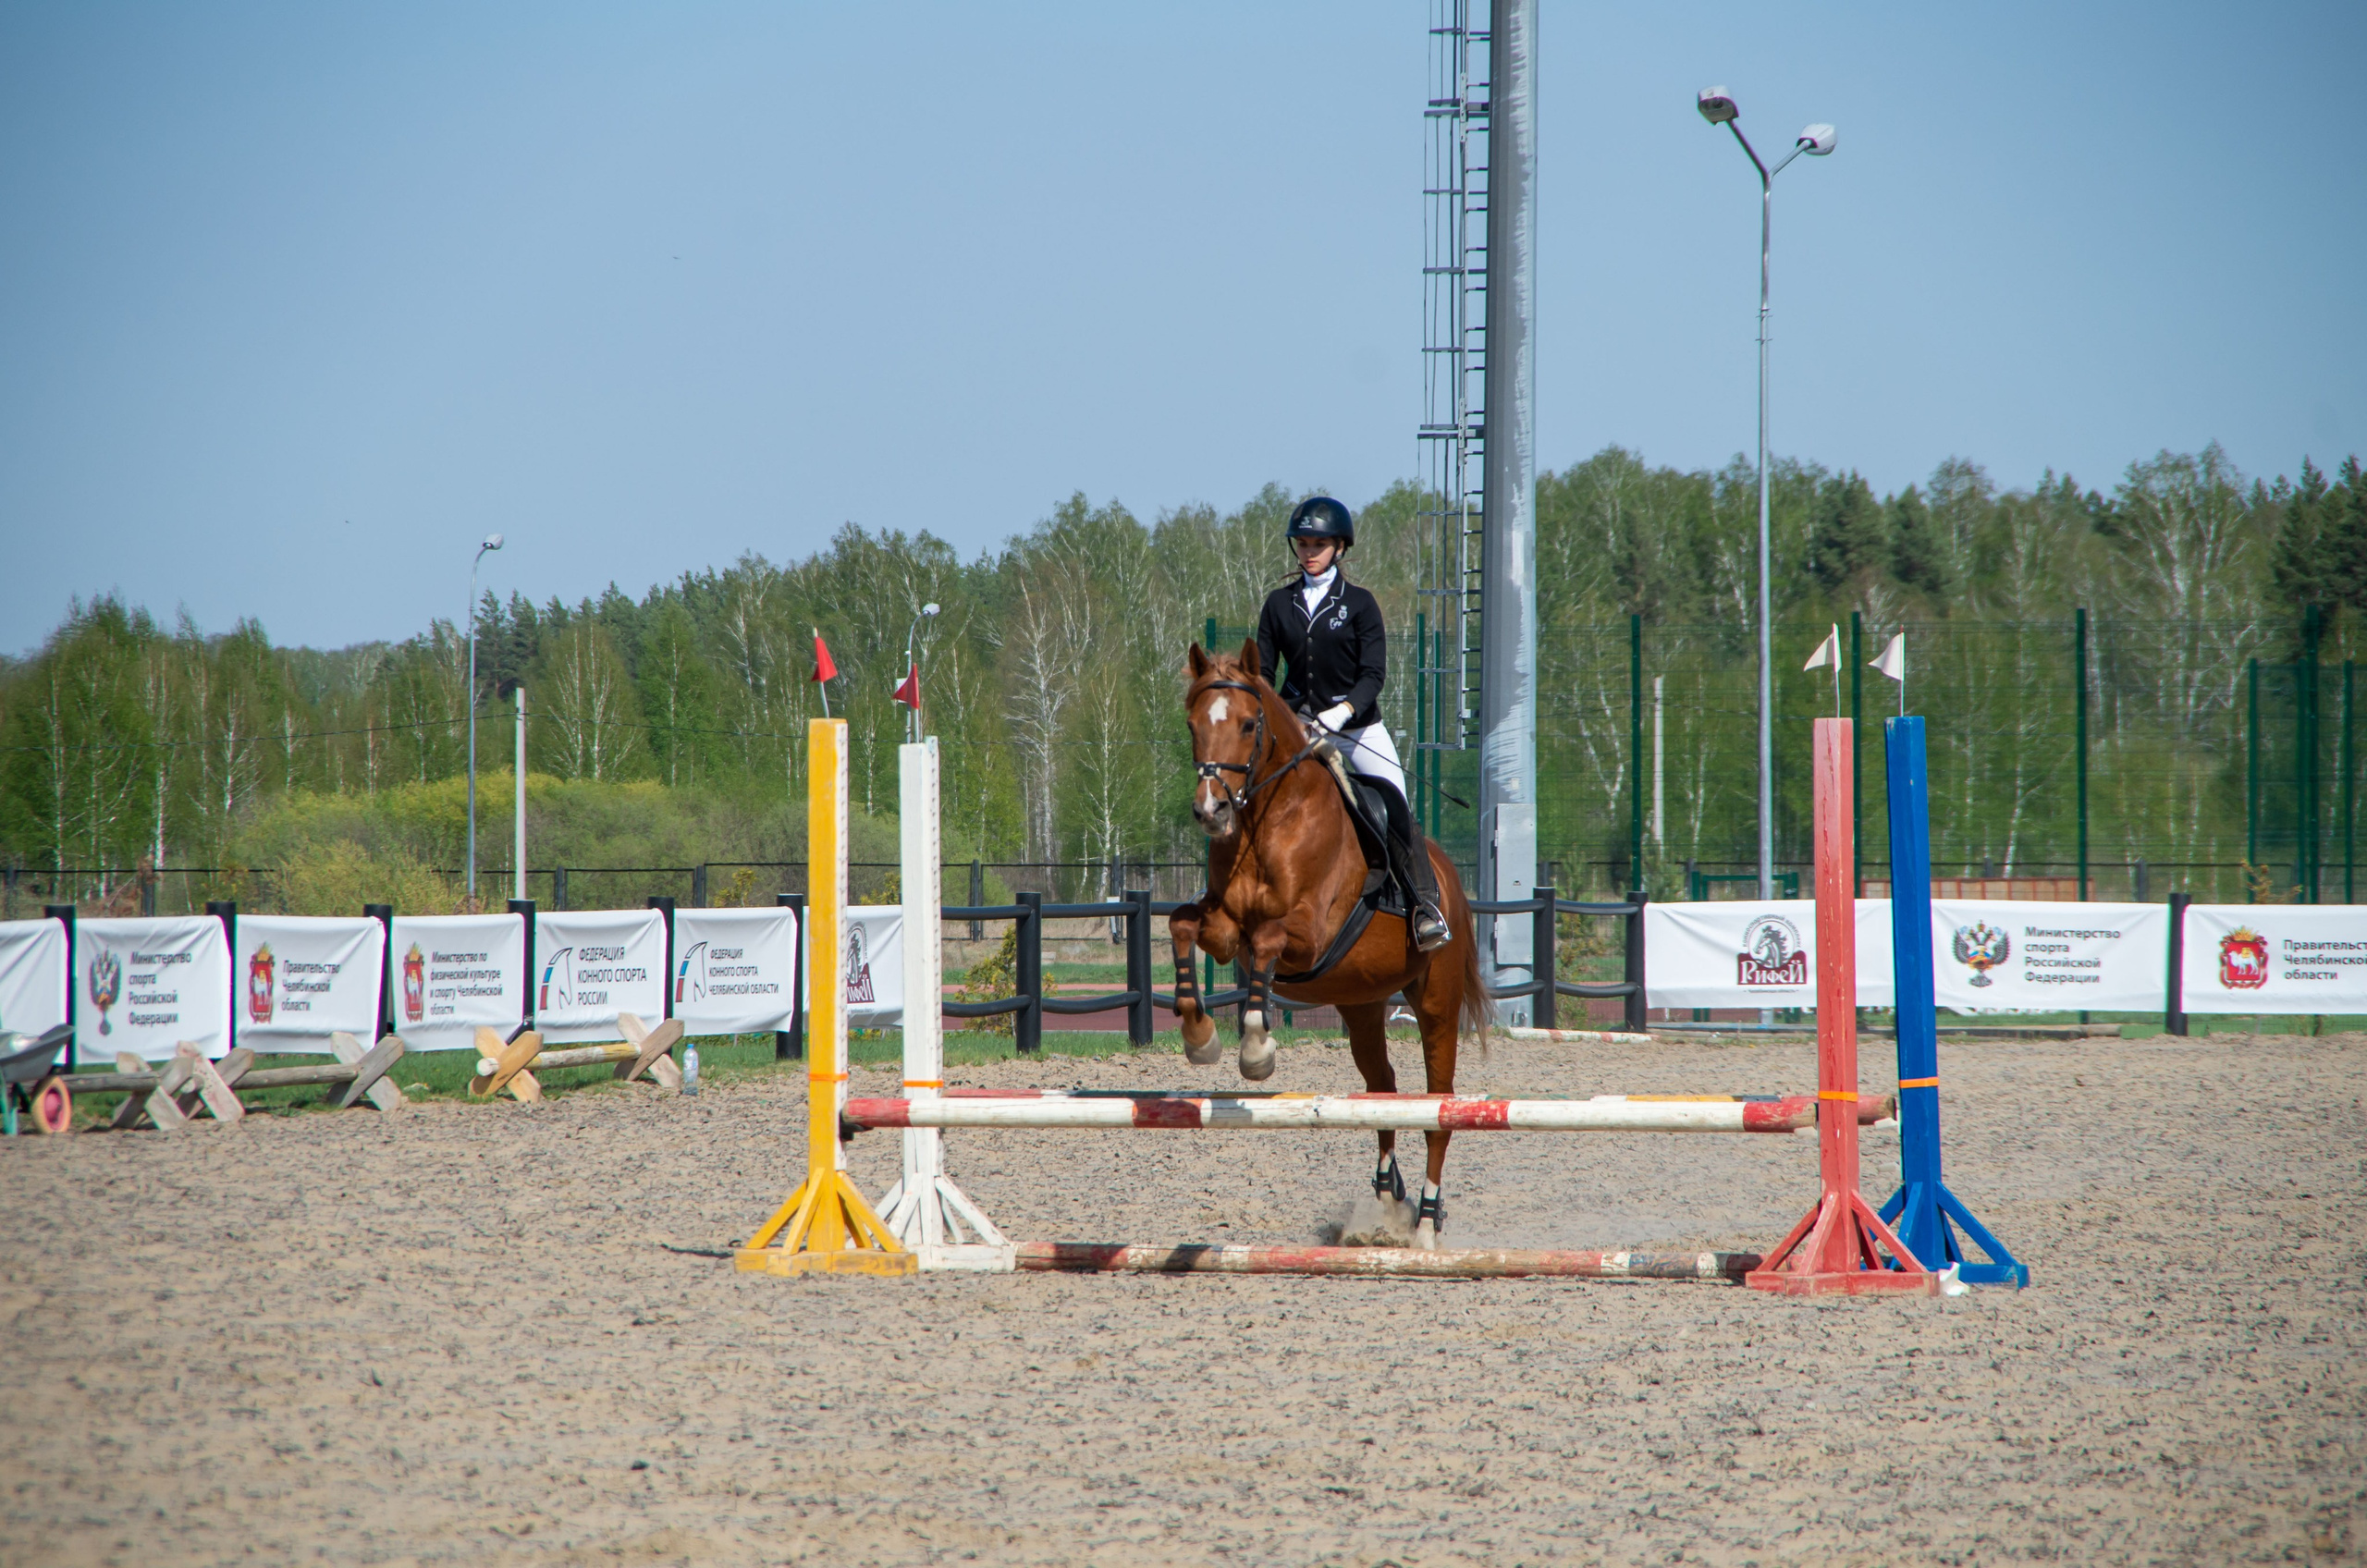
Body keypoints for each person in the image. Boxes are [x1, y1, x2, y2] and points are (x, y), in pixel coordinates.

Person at [1254, 496, 1451, 950]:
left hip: (1357, 728)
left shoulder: (1359, 604)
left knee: (1397, 805)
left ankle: (1424, 907)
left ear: (1340, 547)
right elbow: (1263, 674)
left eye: (1319, 543)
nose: (1309, 551)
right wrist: (1281, 718)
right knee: (1248, 790)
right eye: (1302, 543)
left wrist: (1340, 713)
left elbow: (1373, 675)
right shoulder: (1278, 604)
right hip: (1300, 728)